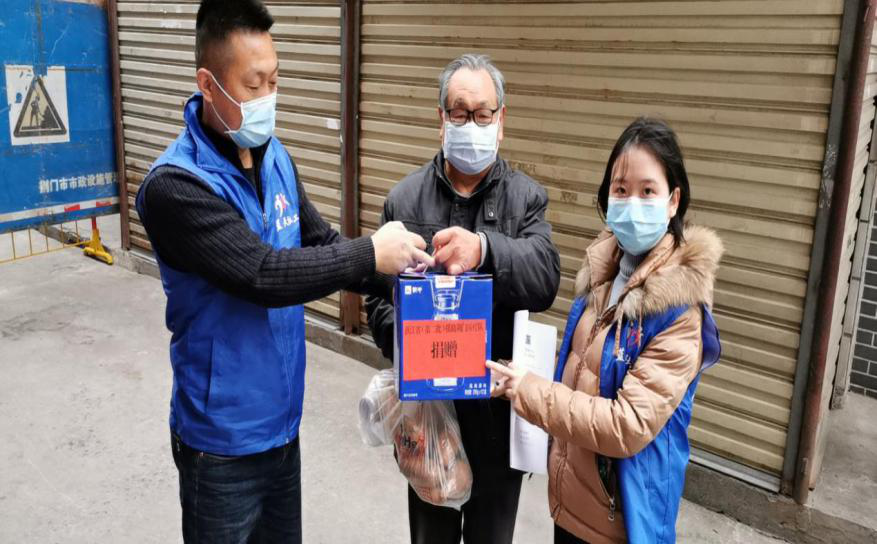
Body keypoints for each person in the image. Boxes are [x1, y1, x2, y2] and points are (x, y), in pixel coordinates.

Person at [134, 1, 432, 542]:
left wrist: (414, 273)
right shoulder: (174, 186)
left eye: (275, 81)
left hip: (282, 428)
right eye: (254, 85)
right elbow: (262, 274)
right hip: (220, 444)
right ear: (208, 84)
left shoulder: (275, 158)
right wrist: (371, 252)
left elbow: (319, 244)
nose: (268, 97)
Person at [489, 117, 723, 544]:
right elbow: (583, 369)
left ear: (673, 201)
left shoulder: (679, 313)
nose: (632, 203)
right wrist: (515, 375)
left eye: (647, 191)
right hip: (572, 503)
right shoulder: (602, 273)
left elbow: (626, 426)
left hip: (621, 521)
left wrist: (530, 391)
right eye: (620, 189)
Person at [366, 54, 561, 544]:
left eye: (482, 114)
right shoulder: (404, 201)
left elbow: (545, 277)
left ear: (501, 120)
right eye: (459, 113)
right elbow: (378, 302)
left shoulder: (525, 199)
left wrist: (486, 250)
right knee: (430, 534)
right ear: (441, 119)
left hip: (497, 416)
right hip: (428, 416)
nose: (471, 124)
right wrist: (411, 345)